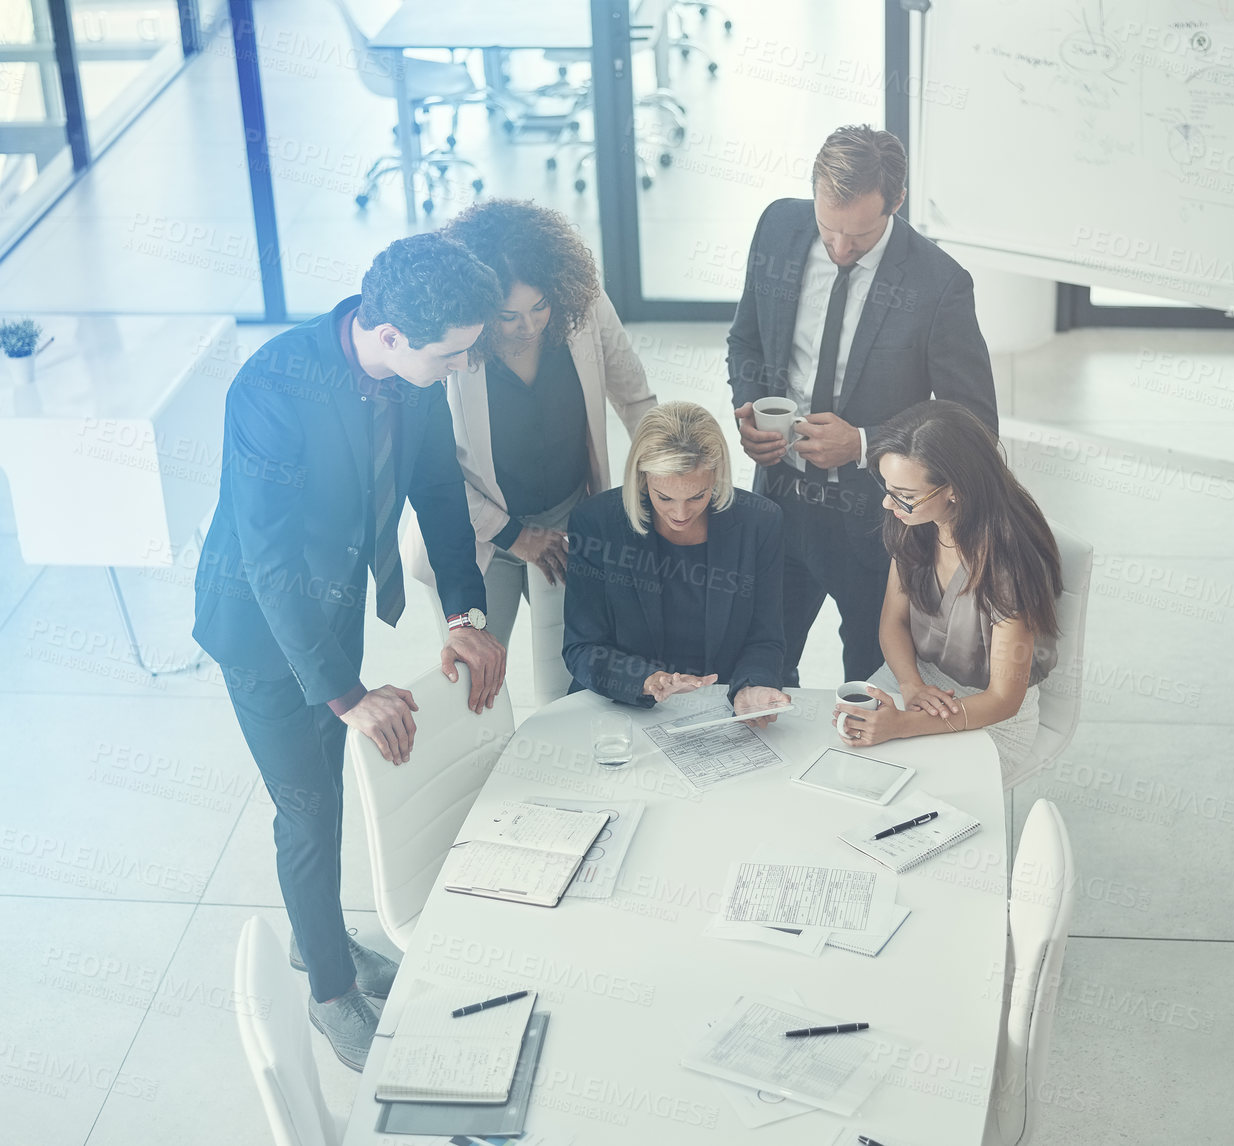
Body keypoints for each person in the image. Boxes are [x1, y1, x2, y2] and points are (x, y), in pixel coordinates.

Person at [191, 233, 508, 1072]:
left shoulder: (414, 375)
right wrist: (342, 691)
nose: (461, 369)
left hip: (332, 608)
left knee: (326, 788)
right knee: (307, 808)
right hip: (264, 628)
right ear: (392, 334)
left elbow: (439, 492)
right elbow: (271, 560)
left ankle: (314, 936)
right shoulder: (272, 386)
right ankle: (329, 989)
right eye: (452, 355)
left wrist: (463, 610)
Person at [727, 124, 998, 688]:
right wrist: (749, 407)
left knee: (871, 685)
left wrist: (866, 443)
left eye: (860, 235)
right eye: (829, 229)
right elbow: (746, 339)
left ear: (896, 202)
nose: (841, 248)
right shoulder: (778, 226)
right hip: (778, 502)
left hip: (877, 525)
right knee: (756, 674)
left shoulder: (939, 283)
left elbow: (973, 421)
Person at [402, 199, 657, 706]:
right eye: (508, 315)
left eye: (540, 306)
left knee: (568, 689)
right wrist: (514, 536)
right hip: (473, 533)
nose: (530, 325)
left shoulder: (581, 305)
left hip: (566, 527)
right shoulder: (446, 341)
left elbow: (637, 400)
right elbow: (431, 478)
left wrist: (660, 478)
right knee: (476, 688)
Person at [832, 400, 1063, 785]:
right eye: (887, 488)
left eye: (904, 493)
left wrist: (904, 724)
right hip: (915, 678)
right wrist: (911, 685)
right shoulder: (914, 520)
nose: (890, 504)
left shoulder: (1009, 564)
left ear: (954, 490)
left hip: (987, 712)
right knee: (847, 764)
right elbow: (893, 622)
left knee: (905, 789)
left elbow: (1004, 699)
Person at [562, 401, 790, 723]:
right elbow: (583, 647)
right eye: (664, 497)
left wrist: (750, 686)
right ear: (642, 478)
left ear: (717, 475)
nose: (680, 515)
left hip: (719, 709)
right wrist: (646, 680)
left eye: (698, 496)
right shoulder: (596, 522)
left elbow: (765, 638)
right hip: (621, 708)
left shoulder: (760, 523)